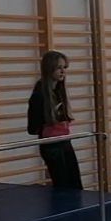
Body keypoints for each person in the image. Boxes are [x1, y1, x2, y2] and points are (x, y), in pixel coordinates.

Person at [27, 50, 83, 190]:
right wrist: (50, 123)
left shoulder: (58, 91)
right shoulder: (39, 95)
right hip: (52, 146)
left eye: (64, 67)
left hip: (64, 141)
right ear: (49, 69)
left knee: (75, 182)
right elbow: (32, 127)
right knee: (63, 185)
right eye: (58, 68)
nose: (63, 71)